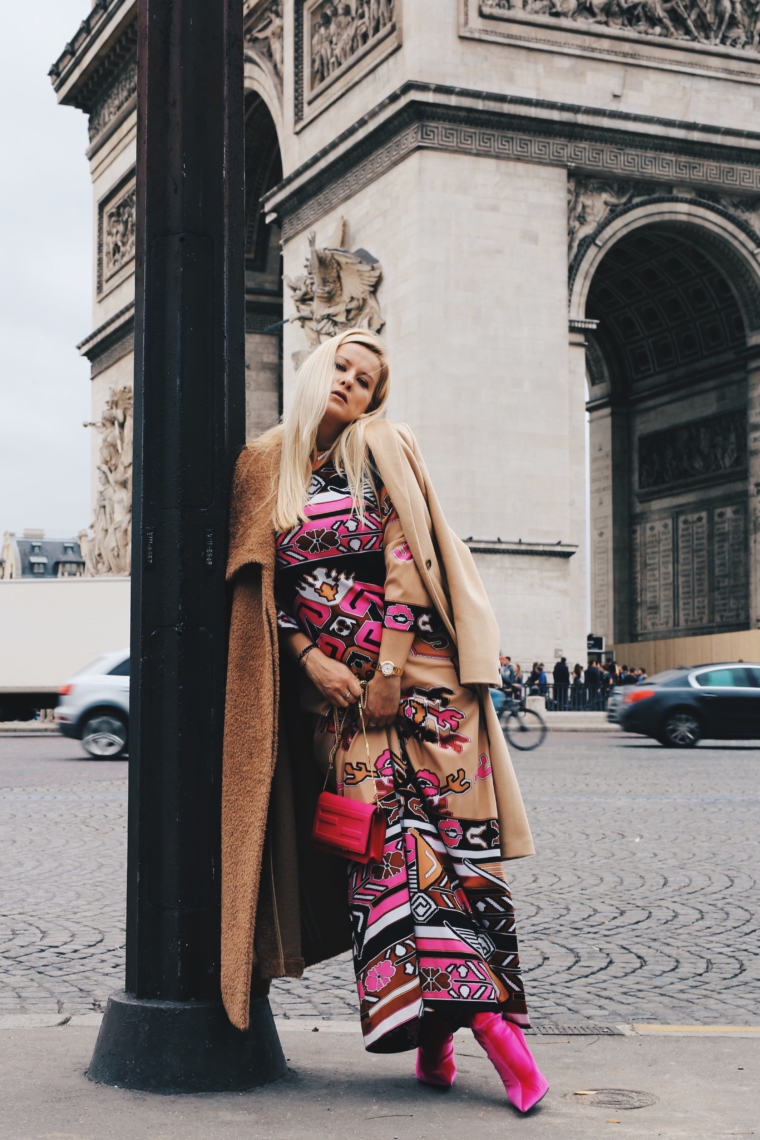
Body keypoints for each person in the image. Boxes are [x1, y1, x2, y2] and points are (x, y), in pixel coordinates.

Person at [221, 329, 548, 1111]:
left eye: (364, 380)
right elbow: (267, 599)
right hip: (338, 707)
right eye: (339, 365)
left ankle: (478, 1036)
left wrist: (388, 675)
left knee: (461, 859)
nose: (348, 382)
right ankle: (461, 1034)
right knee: (387, 865)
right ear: (311, 367)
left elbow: (407, 559)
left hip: (425, 692)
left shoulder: (378, 447)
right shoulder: (265, 467)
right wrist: (313, 664)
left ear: (374, 399)